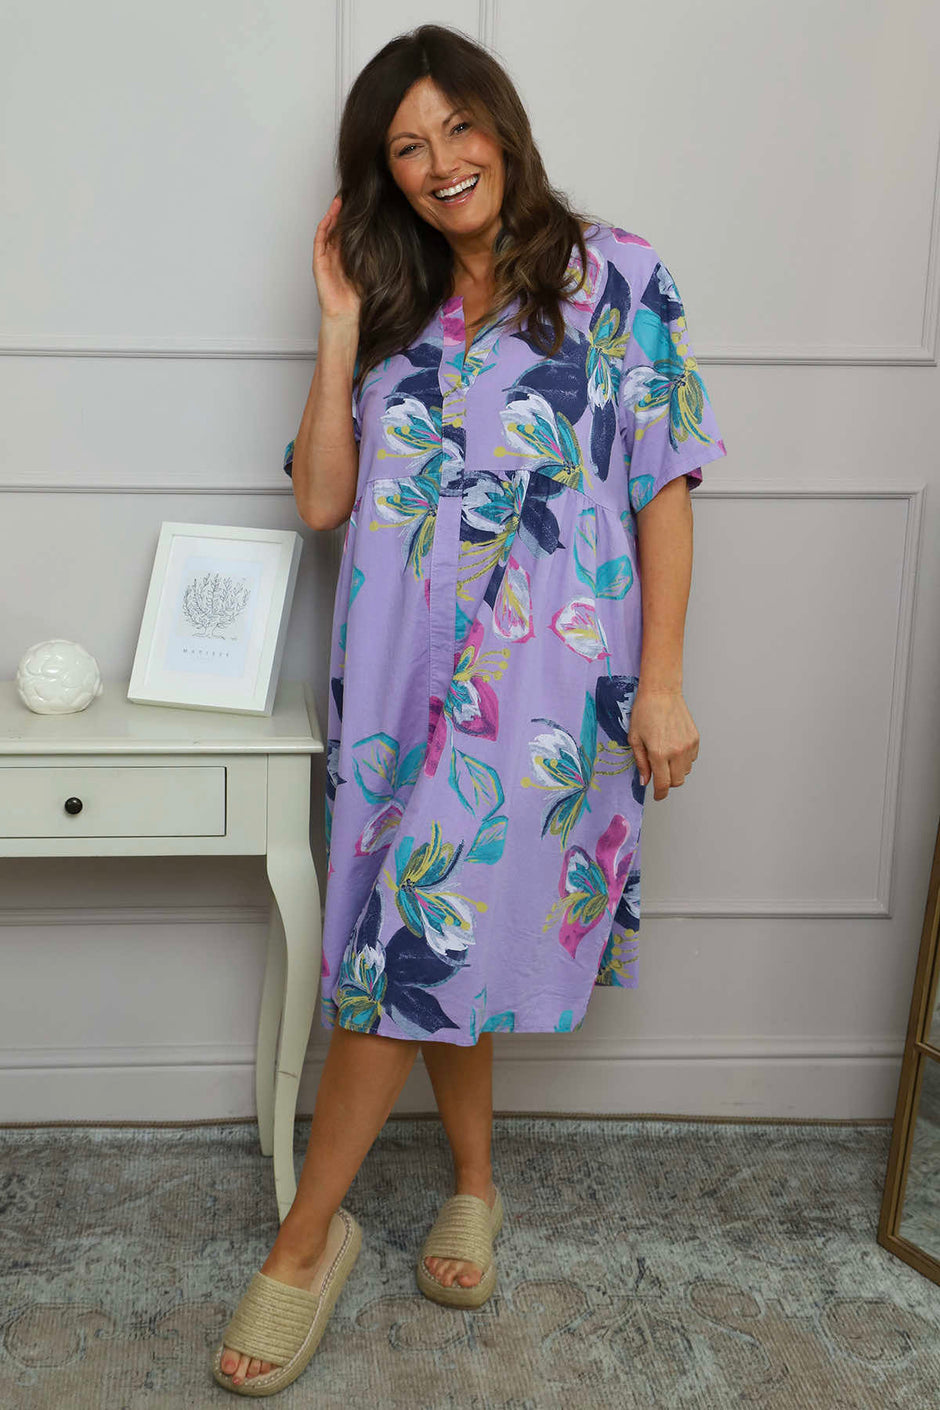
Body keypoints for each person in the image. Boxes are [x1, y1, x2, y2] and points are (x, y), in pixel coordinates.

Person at [213, 22, 727, 1397]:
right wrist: (337, 323)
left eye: (457, 127)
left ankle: (303, 1242)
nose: (441, 162)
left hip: (543, 684)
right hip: (391, 677)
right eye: (406, 146)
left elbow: (665, 487)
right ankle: (477, 1186)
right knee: (437, 934)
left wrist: (663, 681)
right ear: (382, 173)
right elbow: (324, 499)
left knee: (416, 935)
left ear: (501, 124)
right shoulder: (390, 298)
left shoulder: (620, 277)